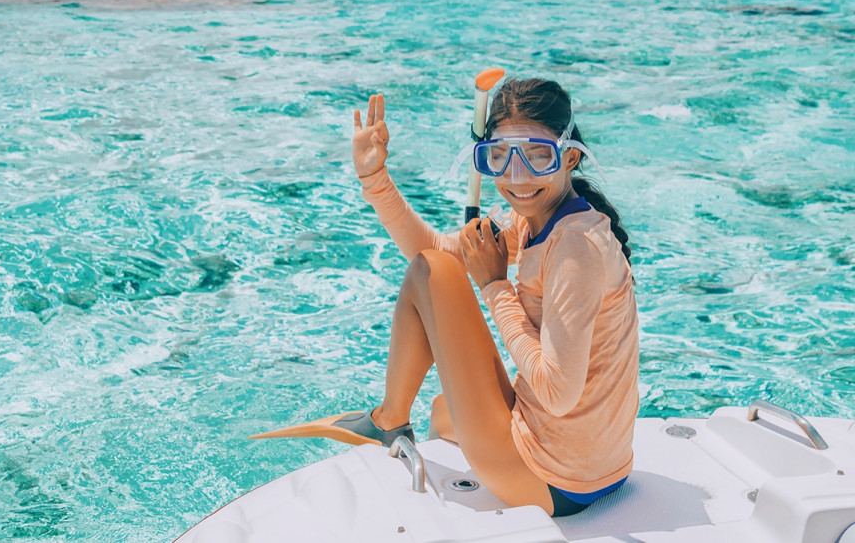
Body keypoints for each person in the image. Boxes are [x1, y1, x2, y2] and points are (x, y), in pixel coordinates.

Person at [255, 77, 638, 517]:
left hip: (553, 482)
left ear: (570, 157)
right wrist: (375, 179)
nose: (518, 177)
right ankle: (395, 419)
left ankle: (387, 420)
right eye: (499, 157)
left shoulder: (575, 247)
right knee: (442, 414)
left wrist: (495, 287)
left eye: (537, 156)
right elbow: (434, 248)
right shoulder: (538, 220)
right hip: (601, 469)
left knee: (433, 274)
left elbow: (556, 393)